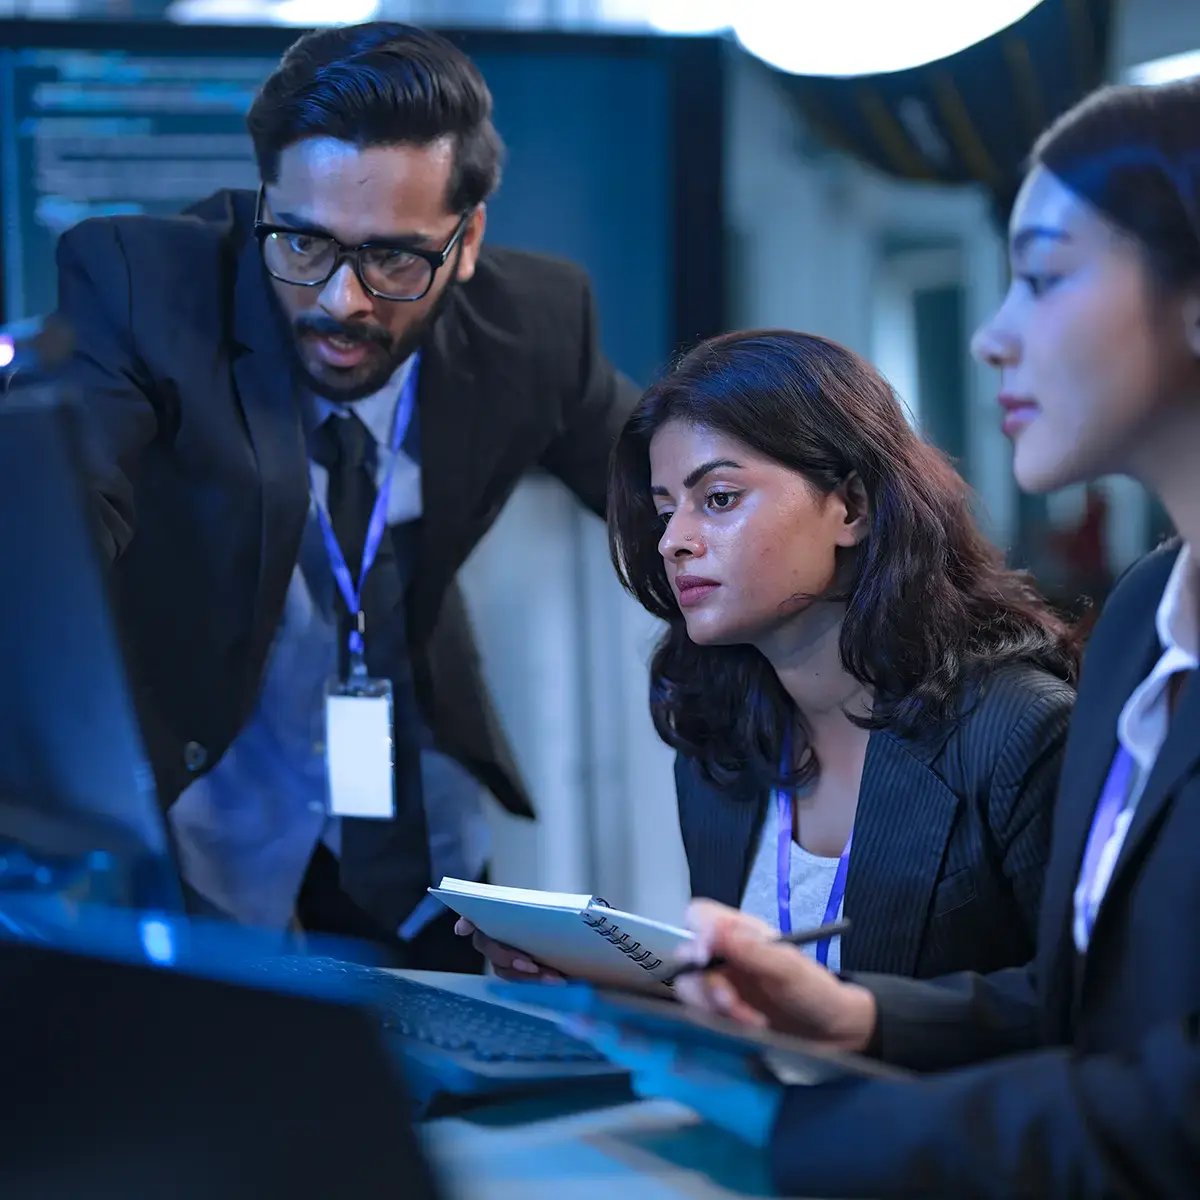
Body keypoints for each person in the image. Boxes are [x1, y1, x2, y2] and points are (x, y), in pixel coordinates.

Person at [577, 78, 1200, 1198]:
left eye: (1045, 278)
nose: (991, 336)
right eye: (665, 509)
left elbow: (1155, 1097)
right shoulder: (1140, 634)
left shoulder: (1024, 723)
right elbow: (1082, 1008)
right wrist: (845, 1014)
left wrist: (793, 1146)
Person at [53, 22, 638, 969]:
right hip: (214, 802)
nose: (342, 301)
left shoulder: (537, 324)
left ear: (469, 238)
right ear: (262, 208)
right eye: (303, 242)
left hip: (420, 815)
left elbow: (662, 494)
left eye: (397, 258)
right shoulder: (144, 288)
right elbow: (63, 499)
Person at [459, 330, 1076, 982]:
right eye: (666, 512)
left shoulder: (1023, 731)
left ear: (853, 508)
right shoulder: (718, 738)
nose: (673, 542)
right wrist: (604, 977)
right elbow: (756, 1015)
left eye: (719, 499)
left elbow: (1077, 1019)